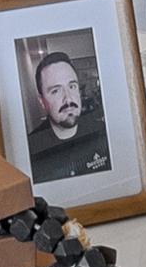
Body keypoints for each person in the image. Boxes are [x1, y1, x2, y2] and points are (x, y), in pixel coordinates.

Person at [18, 36, 106, 186]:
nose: (68, 98)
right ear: (42, 102)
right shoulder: (29, 151)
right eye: (56, 91)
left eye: (72, 86)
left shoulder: (103, 133)